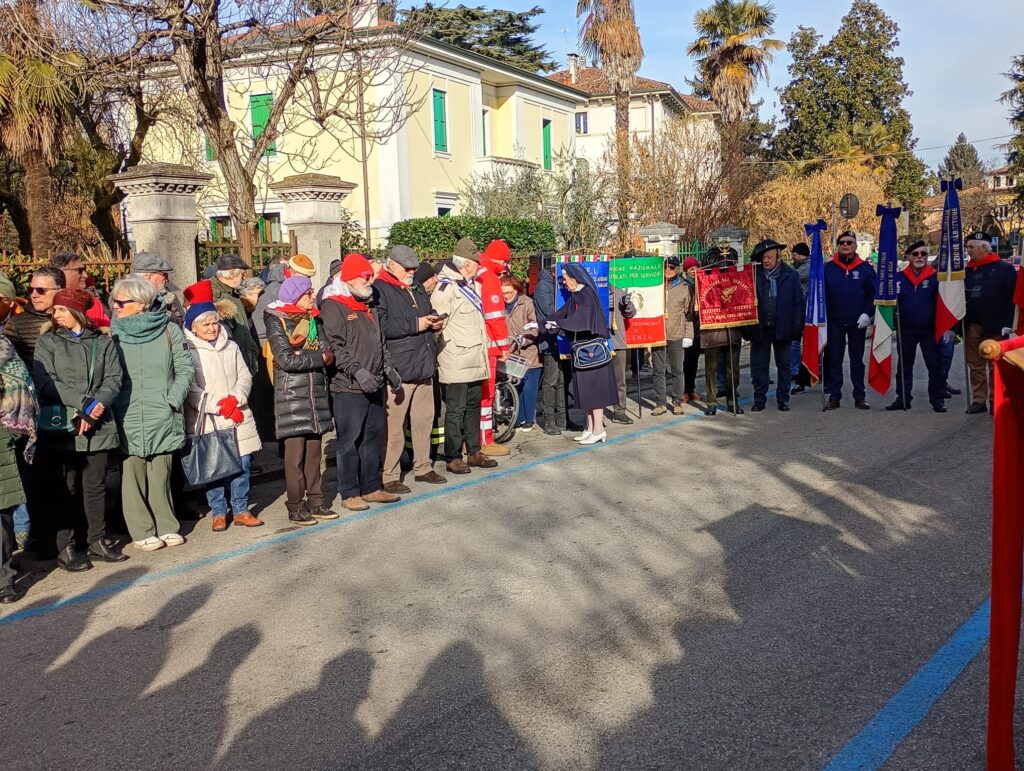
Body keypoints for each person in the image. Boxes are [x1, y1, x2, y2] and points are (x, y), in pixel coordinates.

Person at [33, 288, 124, 571]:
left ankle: (97, 540)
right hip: (64, 424)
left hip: (98, 422)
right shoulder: (47, 342)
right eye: (55, 309)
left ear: (77, 311)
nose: (56, 314)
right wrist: (82, 404)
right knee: (67, 487)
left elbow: (114, 378)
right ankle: (67, 547)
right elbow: (47, 382)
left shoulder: (103, 341)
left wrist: (96, 406)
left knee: (95, 485)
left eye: (62, 309)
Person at [109, 276, 196, 551]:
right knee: (132, 472)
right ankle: (141, 530)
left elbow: (185, 369)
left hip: (163, 410)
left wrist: (172, 400)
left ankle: (167, 525)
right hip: (128, 411)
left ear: (142, 304)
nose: (115, 306)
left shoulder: (170, 330)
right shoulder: (113, 333)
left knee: (161, 472)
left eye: (121, 302)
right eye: (114, 301)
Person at [321, 253, 402, 511]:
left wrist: (388, 367)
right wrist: (358, 372)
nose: (370, 280)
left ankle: (371, 487)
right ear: (350, 278)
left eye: (370, 276)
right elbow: (337, 346)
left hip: (374, 382)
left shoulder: (369, 302)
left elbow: (380, 340)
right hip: (348, 386)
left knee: (372, 437)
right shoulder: (333, 305)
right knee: (349, 441)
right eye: (365, 277)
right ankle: (349, 491)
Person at [182, 283, 265, 531]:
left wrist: (235, 399)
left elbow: (244, 376)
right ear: (193, 327)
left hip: (237, 413)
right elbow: (191, 388)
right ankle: (218, 511)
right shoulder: (189, 351)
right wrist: (217, 406)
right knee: (215, 467)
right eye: (205, 324)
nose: (212, 328)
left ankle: (240, 509)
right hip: (210, 418)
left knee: (243, 464)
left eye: (214, 323)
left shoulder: (231, 346)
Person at [264, 276, 338, 525]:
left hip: (316, 393)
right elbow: (286, 360)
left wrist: (310, 355)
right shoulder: (277, 319)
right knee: (295, 456)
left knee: (314, 454)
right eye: (308, 293)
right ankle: (295, 506)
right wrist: (318, 358)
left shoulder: (313, 318)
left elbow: (328, 351)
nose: (312, 296)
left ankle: (316, 502)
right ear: (295, 296)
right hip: (292, 397)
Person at [374, 245, 446, 494]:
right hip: (400, 368)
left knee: (424, 420)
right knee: (394, 427)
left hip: (423, 364)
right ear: (392, 265)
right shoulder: (380, 288)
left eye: (414, 268)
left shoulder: (416, 287)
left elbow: (425, 311)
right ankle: (389, 474)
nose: (412, 272)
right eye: (407, 268)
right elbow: (382, 325)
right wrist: (416, 324)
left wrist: (434, 319)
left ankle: (423, 467)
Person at [431, 240, 496, 474]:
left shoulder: (472, 285)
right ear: (467, 265)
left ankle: (474, 451)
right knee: (456, 410)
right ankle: (453, 456)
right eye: (477, 263)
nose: (479, 267)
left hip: (475, 357)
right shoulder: (446, 289)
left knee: (473, 407)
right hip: (456, 359)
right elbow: (437, 326)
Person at [545, 262, 617, 444]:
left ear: (574, 279)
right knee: (586, 391)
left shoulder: (586, 295)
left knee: (594, 392)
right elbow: (562, 314)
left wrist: (559, 324)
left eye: (565, 279)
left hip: (592, 352)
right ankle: (590, 427)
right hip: (582, 351)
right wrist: (542, 323)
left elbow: (580, 320)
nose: (564, 282)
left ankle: (599, 430)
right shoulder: (578, 295)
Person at [886, 241, 947, 413]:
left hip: (930, 330)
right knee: (904, 366)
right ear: (908, 257)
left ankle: (938, 399)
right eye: (916, 254)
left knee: (935, 365)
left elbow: (944, 302)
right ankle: (903, 398)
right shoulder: (898, 277)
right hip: (905, 329)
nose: (920, 257)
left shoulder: (936, 277)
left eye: (923, 254)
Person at [962, 231, 1017, 414]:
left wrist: (1009, 323)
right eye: (968, 247)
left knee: (995, 366)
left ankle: (995, 399)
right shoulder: (967, 271)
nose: (968, 251)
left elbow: (1012, 299)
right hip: (973, 325)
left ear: (984, 248)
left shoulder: (1005, 269)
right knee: (975, 365)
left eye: (971, 247)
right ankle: (979, 400)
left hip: (996, 326)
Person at [747, 239, 803, 412]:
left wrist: (797, 328)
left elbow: (798, 303)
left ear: (778, 256)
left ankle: (783, 399)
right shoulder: (754, 275)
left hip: (783, 327)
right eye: (764, 257)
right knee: (759, 366)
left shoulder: (790, 275)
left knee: (784, 366)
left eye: (769, 257)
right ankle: (759, 399)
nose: (766, 261)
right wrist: (748, 329)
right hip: (760, 328)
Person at [824, 231, 876, 410]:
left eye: (849, 242)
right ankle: (834, 396)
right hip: (834, 322)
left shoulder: (865, 268)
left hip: (857, 322)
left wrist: (867, 313)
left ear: (855, 245)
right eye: (842, 242)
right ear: (838, 246)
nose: (845, 245)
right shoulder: (828, 268)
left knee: (857, 361)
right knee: (834, 360)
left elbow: (873, 294)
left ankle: (859, 396)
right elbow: (821, 294)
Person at [477, 239, 512, 458]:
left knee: (475, 396)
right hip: (489, 346)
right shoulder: (490, 278)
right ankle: (485, 439)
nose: (506, 266)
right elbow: (495, 316)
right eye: (505, 261)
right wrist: (504, 345)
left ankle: (474, 438)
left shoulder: (477, 272)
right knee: (487, 395)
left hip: (474, 345)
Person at [650, 256, 695, 416]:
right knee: (658, 370)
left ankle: (677, 401)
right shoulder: (655, 285)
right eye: (665, 267)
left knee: (677, 370)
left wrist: (688, 334)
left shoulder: (685, 287)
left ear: (677, 269)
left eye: (672, 267)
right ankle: (660, 403)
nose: (668, 270)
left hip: (676, 333)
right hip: (658, 333)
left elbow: (689, 314)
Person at [501, 274, 542, 429]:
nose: (505, 296)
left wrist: (525, 339)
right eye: (503, 293)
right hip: (510, 353)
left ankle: (529, 419)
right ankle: (518, 418)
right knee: (514, 386)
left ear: (517, 290)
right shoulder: (499, 305)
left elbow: (534, 326)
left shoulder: (527, 303)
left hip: (528, 353)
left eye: (509, 293)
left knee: (529, 387)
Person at [533, 262, 569, 435]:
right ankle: (549, 420)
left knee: (562, 381)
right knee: (551, 381)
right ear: (554, 271)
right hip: (550, 338)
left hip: (561, 337)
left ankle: (563, 419)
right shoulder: (543, 286)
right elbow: (549, 311)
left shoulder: (555, 284)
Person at [6, 266, 65, 367]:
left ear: (60, 291)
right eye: (31, 290)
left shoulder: (71, 320)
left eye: (41, 290)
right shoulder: (16, 323)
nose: (34, 295)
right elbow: (7, 362)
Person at [211, 253, 260, 373]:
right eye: (242, 274)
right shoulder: (212, 294)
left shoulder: (233, 293)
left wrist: (253, 351)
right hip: (229, 365)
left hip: (244, 362)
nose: (244, 278)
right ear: (232, 274)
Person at [609, 264, 638, 425]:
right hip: (599, 343)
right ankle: (595, 415)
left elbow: (631, 313)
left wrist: (626, 304)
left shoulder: (619, 291)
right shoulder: (592, 292)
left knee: (620, 380)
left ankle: (619, 411)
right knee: (598, 381)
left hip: (618, 342)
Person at [51, 251, 110, 327]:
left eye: (84, 270)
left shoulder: (93, 303)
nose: (85, 275)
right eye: (79, 270)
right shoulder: (47, 301)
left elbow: (106, 329)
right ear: (61, 272)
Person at [133, 251, 184, 326]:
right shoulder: (127, 296)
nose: (167, 280)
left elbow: (180, 323)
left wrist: (167, 314)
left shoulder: (165, 294)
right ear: (149, 276)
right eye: (164, 275)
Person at [680, 257, 703, 404]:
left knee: (694, 360)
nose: (694, 271)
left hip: (697, 327)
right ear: (686, 271)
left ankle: (691, 388)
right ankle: (683, 390)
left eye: (695, 268)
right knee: (684, 361)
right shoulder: (683, 284)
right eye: (690, 269)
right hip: (685, 326)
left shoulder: (701, 283)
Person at [789, 242, 811, 394]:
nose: (792, 257)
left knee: (800, 340)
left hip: (806, 307)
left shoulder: (807, 267)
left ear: (800, 254)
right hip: (799, 307)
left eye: (794, 254)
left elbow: (791, 278)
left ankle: (799, 370)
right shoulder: (799, 266)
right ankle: (795, 370)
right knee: (795, 340)